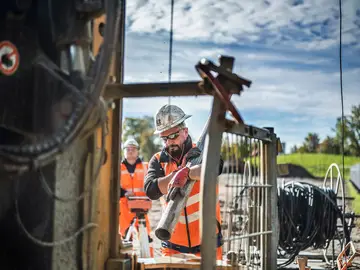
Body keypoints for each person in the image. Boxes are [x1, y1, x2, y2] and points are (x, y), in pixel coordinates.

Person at [144, 104, 224, 260]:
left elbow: (212, 170)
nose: (168, 142)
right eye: (164, 138)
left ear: (185, 132)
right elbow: (151, 190)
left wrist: (187, 172)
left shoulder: (204, 153)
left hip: (208, 245)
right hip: (173, 247)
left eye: (173, 136)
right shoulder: (158, 160)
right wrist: (175, 175)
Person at [119, 138, 152, 250]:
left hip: (142, 208)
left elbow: (153, 184)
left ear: (138, 151)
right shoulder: (117, 168)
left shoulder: (146, 167)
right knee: (125, 243)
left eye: (133, 149)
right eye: (128, 149)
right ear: (124, 151)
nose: (130, 151)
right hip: (124, 210)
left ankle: (147, 266)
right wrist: (124, 192)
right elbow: (111, 186)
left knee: (146, 242)